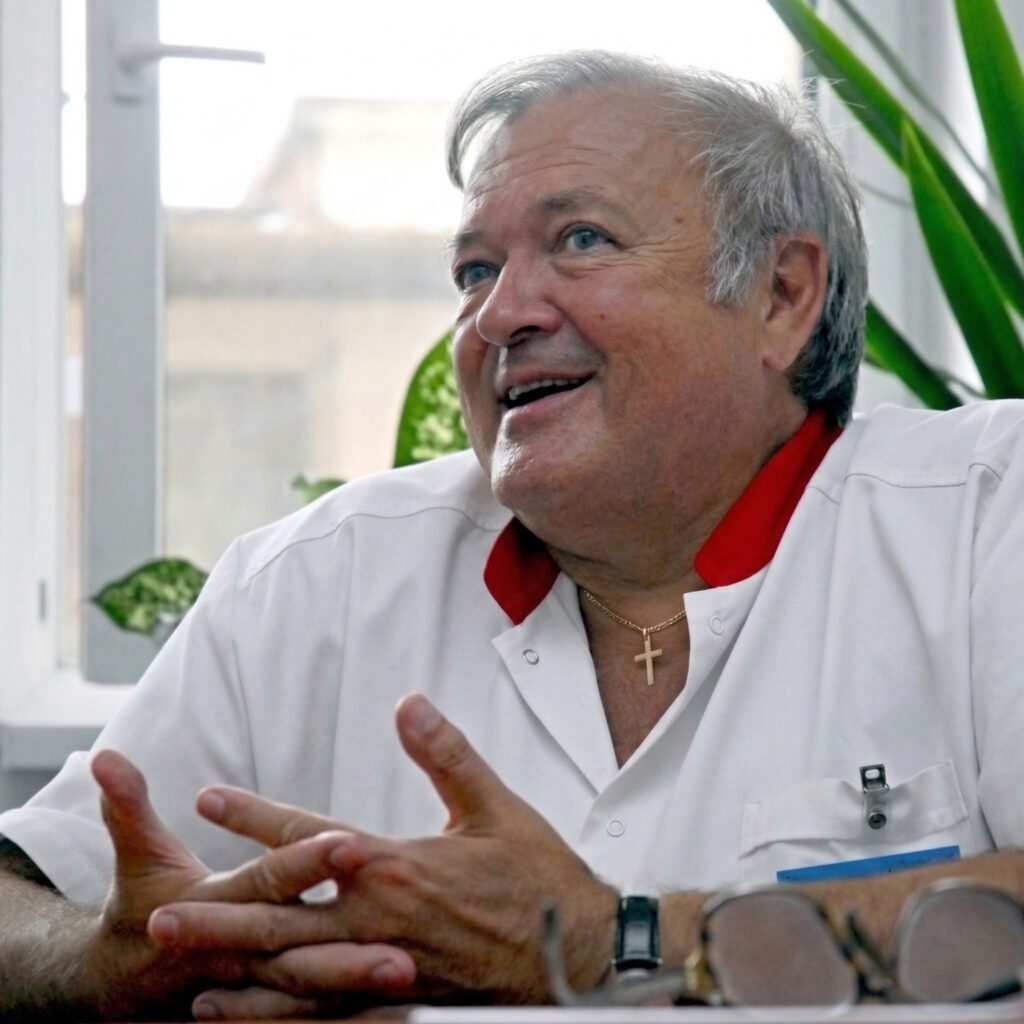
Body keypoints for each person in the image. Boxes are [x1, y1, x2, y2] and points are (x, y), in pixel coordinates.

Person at [1, 49, 1023, 1020]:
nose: (498, 315)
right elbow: (18, 899)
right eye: (473, 270)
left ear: (781, 295)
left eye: (581, 240)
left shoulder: (987, 511)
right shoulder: (317, 577)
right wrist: (110, 963)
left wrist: (611, 943)